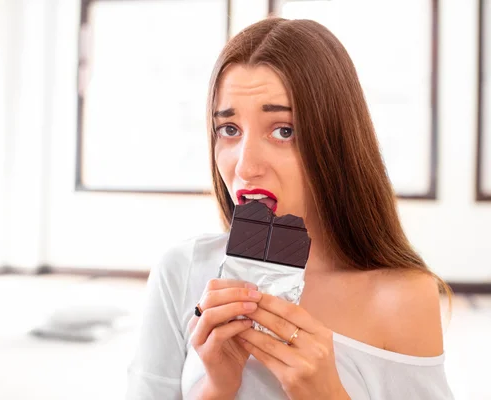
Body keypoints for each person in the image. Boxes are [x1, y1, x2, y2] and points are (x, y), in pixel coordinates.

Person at [126, 17, 454, 400]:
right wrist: (217, 386)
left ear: (336, 141)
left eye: (283, 130)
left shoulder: (404, 297)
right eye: (229, 130)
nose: (246, 167)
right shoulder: (181, 271)